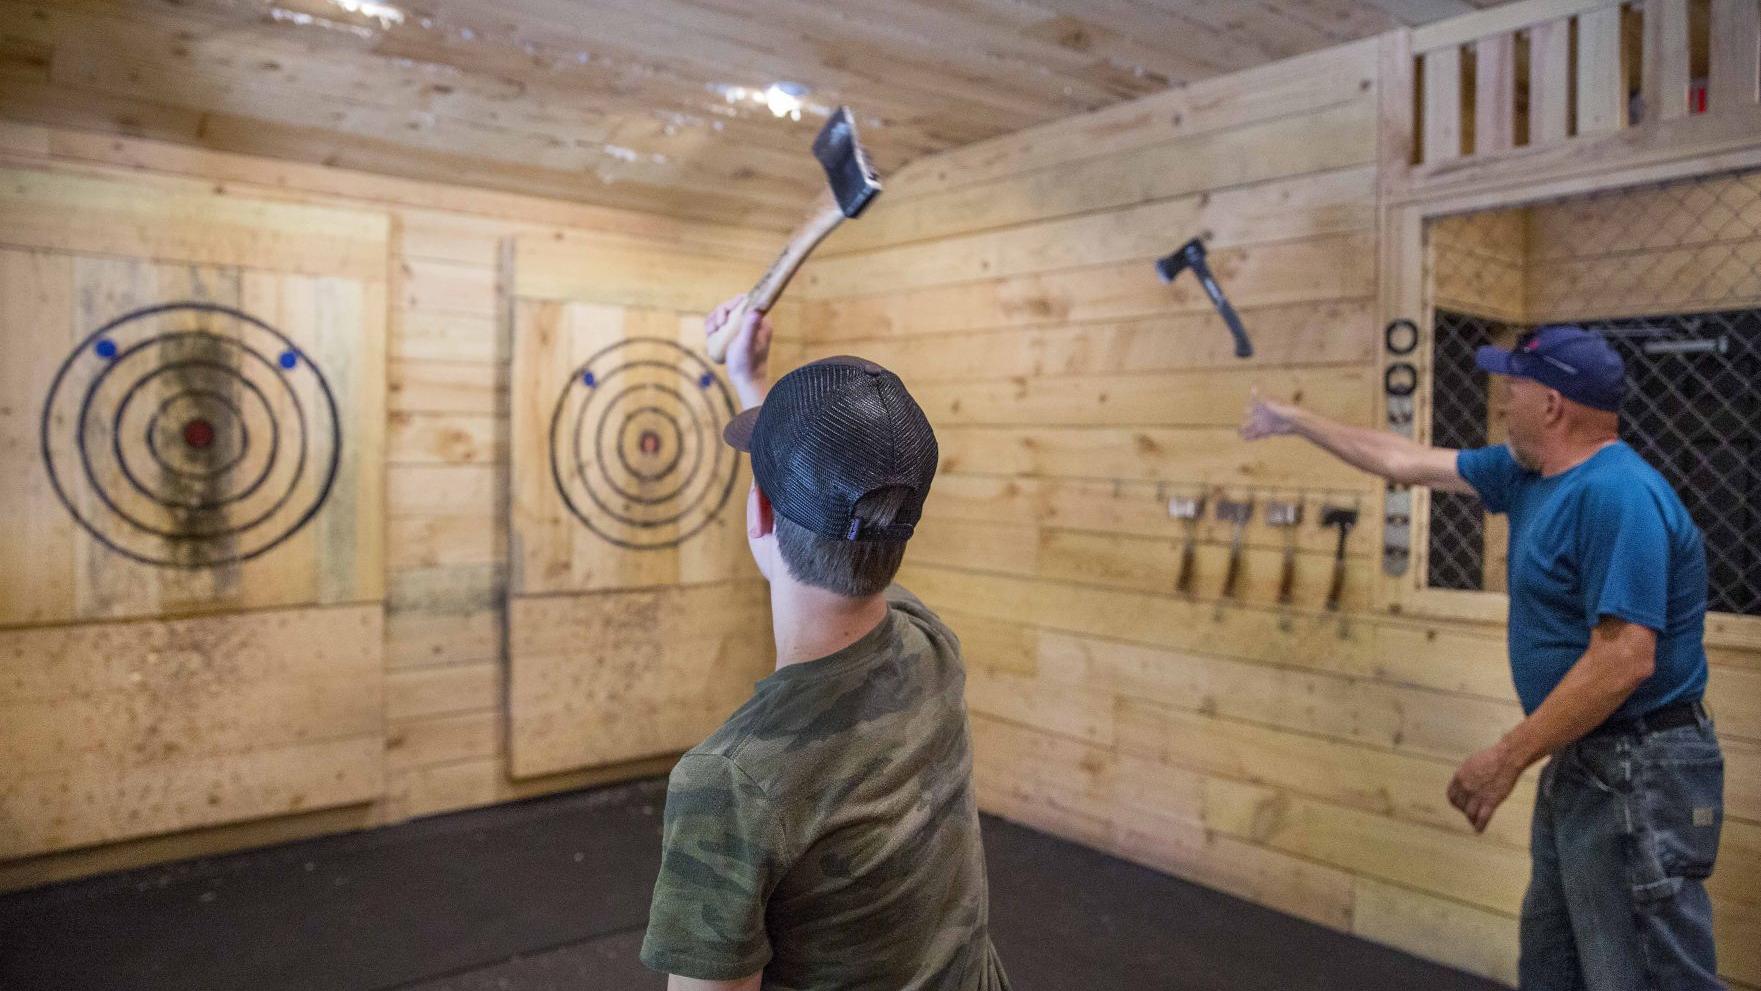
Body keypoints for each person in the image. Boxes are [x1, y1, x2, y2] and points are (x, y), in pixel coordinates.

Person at [1242, 325, 1724, 989]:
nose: (1502, 403)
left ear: (1551, 403)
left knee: (1639, 976)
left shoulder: (1616, 494)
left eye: (1513, 386)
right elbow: (1402, 460)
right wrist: (1293, 420)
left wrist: (1505, 756)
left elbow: (1623, 660)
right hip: (1586, 760)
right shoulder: (1528, 476)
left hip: (1640, 768)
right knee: (1553, 966)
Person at [639, 298, 1011, 991]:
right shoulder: (931, 645)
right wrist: (756, 383)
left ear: (759, 511)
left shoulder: (733, 779)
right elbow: (846, 516)